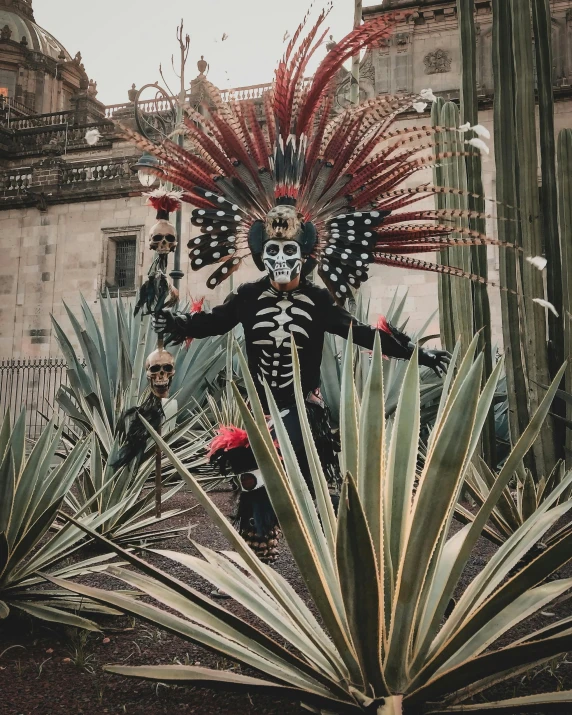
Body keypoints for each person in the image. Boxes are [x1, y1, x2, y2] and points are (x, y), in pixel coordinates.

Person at [153, 211, 449, 564]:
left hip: (300, 408)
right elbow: (213, 323)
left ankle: (336, 556)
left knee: (304, 482)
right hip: (259, 407)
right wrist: (176, 322)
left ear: (303, 255)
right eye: (273, 251)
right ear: (263, 254)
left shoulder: (319, 301)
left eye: (289, 251)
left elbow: (361, 333)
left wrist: (418, 352)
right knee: (252, 482)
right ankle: (257, 560)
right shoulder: (248, 296)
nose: (281, 260)